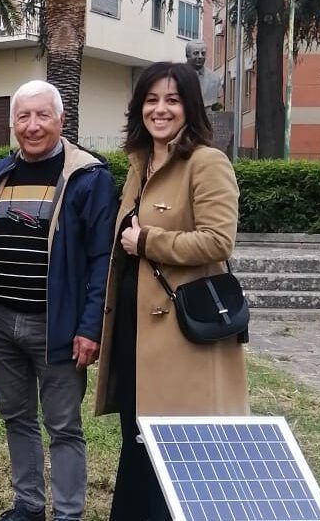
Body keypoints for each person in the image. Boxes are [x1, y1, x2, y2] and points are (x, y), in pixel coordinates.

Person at [95, 62, 248, 521]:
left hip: (181, 337)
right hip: (133, 330)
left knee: (175, 454)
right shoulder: (139, 164)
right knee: (137, 440)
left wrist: (147, 240)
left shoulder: (206, 161)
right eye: (151, 100)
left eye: (172, 100)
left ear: (190, 108)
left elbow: (219, 240)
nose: (160, 110)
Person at [0, 80, 117, 521]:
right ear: (13, 123)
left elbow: (100, 259)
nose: (32, 126)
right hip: (2, 322)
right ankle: (28, 506)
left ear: (61, 120)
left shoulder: (89, 179)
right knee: (16, 418)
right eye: (23, 117)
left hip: (58, 328)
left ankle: (68, 514)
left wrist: (90, 328)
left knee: (64, 427)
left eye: (42, 115)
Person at [184, 40, 222, 109]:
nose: (200, 56)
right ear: (187, 55)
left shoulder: (215, 79)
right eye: (196, 53)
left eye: (203, 53)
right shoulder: (176, 76)